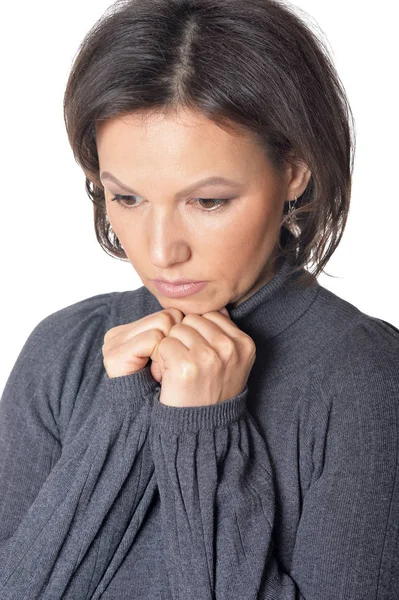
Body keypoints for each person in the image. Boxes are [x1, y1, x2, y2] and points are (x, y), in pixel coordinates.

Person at [0, 0, 398, 598]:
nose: (161, 251)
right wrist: (123, 415)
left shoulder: (368, 380)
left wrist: (199, 433)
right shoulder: (65, 348)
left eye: (208, 202)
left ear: (296, 171)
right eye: (127, 198)